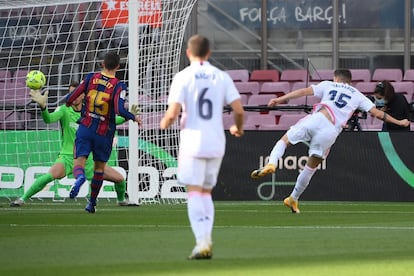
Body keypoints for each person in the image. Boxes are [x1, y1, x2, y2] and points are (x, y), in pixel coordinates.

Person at [250, 69, 410, 213]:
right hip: (331, 130)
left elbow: (304, 91)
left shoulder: (328, 85)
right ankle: (293, 198)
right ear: (349, 81)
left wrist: (280, 99)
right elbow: (378, 114)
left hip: (318, 118)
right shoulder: (357, 94)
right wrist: (400, 122)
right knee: (310, 167)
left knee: (284, 141)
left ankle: (272, 163)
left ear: (336, 79)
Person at [160, 34, 244, 260]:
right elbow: (239, 110)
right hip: (216, 140)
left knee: (194, 192)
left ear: (188, 53)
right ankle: (206, 239)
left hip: (192, 141)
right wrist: (238, 128)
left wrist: (165, 122)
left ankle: (201, 242)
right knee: (206, 193)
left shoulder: (183, 76)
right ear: (208, 53)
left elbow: (173, 112)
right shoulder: (221, 76)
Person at [10, 82, 138, 207]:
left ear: (83, 95)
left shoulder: (91, 111)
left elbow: (112, 121)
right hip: (68, 157)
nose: (73, 96)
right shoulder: (64, 110)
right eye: (71, 93)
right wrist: (43, 107)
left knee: (120, 179)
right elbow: (48, 119)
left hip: (89, 160)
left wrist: (128, 116)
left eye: (76, 93)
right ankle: (22, 199)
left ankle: (121, 201)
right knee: (49, 176)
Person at [66, 52, 141, 213]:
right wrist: (133, 117)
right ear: (118, 67)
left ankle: (80, 177)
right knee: (99, 169)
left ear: (102, 63)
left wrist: (71, 103)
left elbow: (71, 98)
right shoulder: (119, 86)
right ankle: (91, 204)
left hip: (85, 127)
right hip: (104, 132)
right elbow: (119, 110)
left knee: (79, 162)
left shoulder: (90, 78)